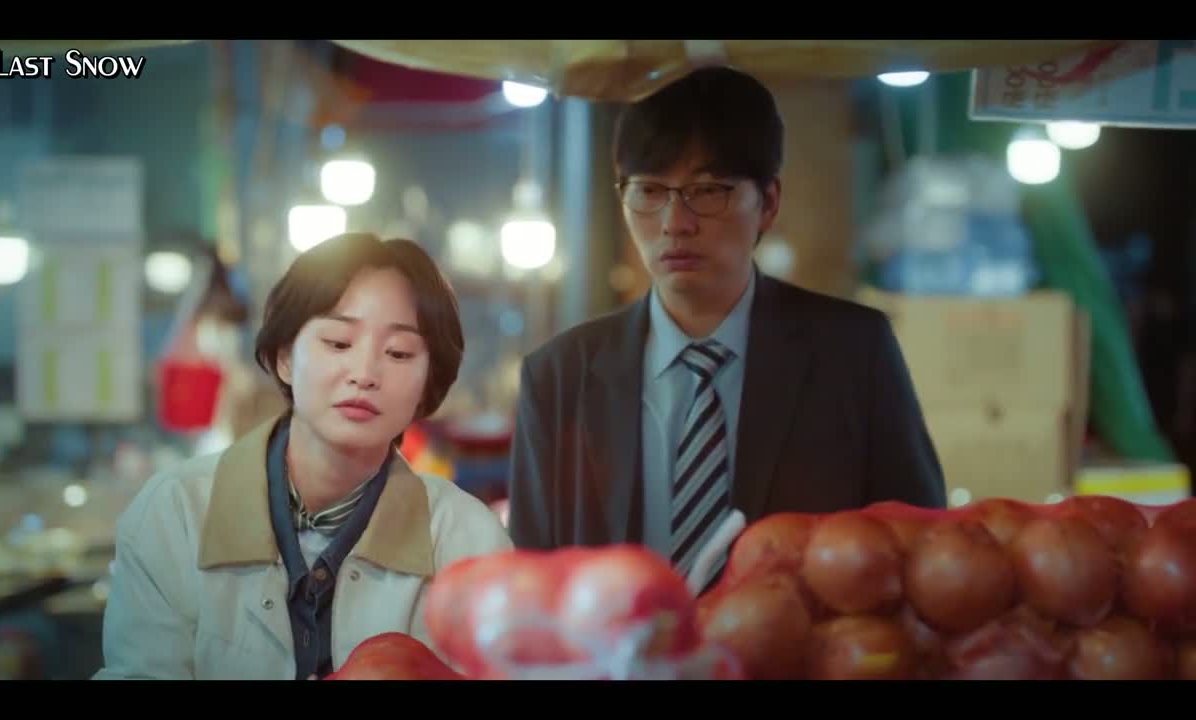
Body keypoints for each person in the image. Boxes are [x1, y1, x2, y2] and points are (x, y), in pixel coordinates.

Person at [506, 66, 946, 588]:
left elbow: (921, 546)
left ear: (768, 202)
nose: (675, 222)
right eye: (649, 191)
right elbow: (529, 584)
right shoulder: (559, 376)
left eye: (707, 191)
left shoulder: (853, 352)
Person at [96, 233, 513, 680]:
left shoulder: (467, 541)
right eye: (338, 343)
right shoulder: (174, 511)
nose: (364, 374)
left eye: (398, 352)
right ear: (284, 359)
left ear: (427, 384)